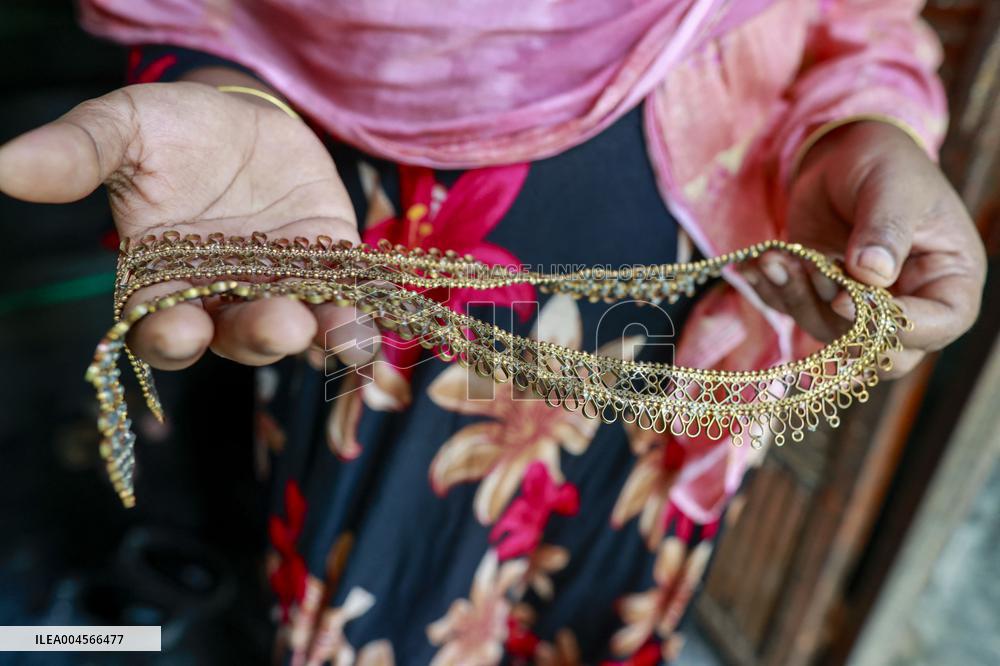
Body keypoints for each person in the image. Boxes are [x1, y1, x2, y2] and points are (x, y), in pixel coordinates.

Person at [0, 1, 986, 663]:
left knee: (595, 601)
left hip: (717, 272)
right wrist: (217, 77)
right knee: (381, 592)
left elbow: (857, 17)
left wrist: (864, 127)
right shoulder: (319, 252)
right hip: (363, 243)